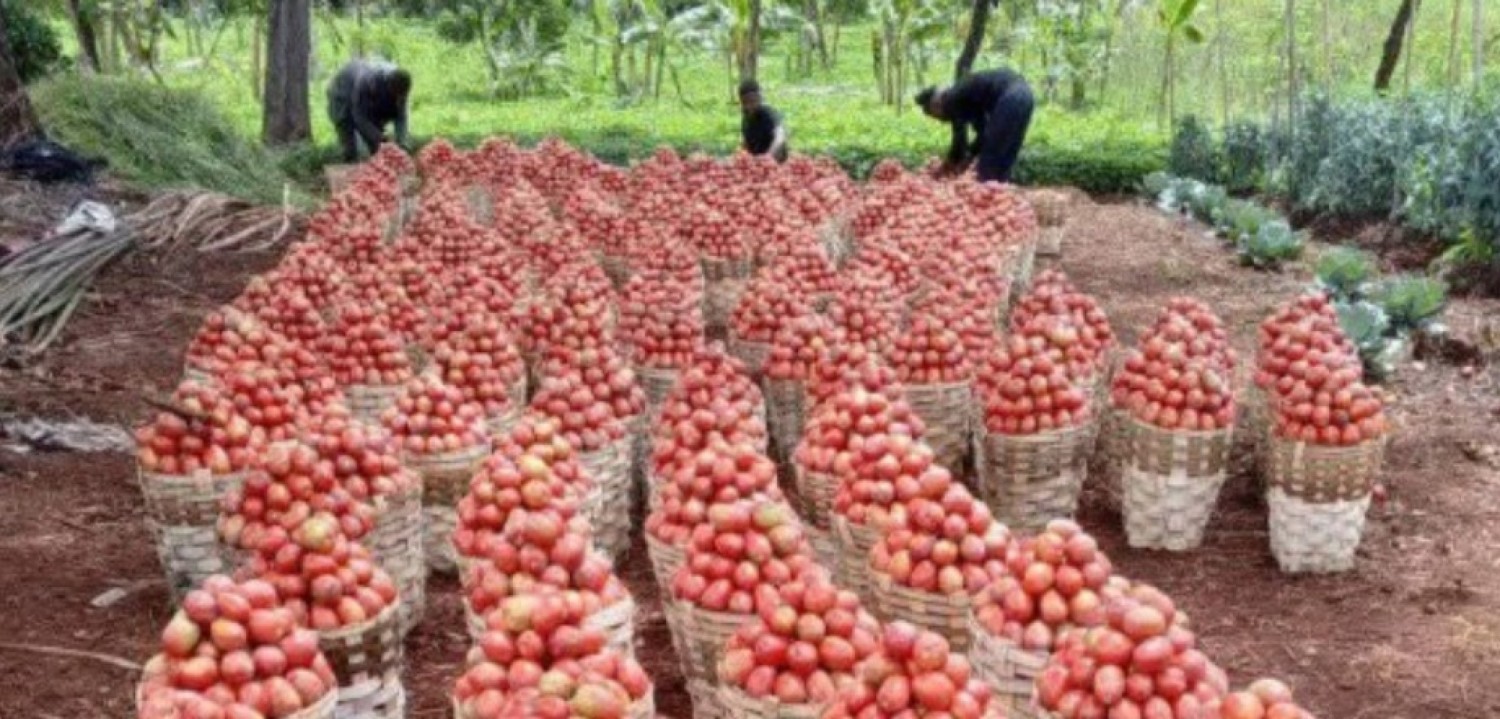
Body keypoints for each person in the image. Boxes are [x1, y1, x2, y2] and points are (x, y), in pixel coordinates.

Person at [915, 68, 1034, 183]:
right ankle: (999, 195)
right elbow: (983, 134)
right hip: (1026, 95)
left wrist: (947, 167)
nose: (940, 120)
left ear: (936, 104)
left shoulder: (953, 98)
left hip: (1010, 97)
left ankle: (989, 196)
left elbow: (959, 141)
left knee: (989, 164)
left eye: (935, 115)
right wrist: (970, 155)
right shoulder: (965, 95)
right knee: (1004, 157)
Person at [327, 59, 412, 163]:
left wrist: (401, 142)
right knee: (352, 148)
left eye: (401, 96)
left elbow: (401, 116)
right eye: (395, 95)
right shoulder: (367, 82)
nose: (399, 99)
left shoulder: (401, 85)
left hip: (371, 103)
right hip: (342, 97)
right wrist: (379, 137)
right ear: (388, 87)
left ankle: (378, 170)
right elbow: (360, 117)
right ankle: (351, 161)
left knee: (379, 149)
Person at [739, 80, 788, 162]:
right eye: (745, 102)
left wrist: (768, 156)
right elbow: (746, 142)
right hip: (757, 164)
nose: (749, 106)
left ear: (759, 98)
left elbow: (780, 137)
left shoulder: (768, 114)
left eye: (752, 101)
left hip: (774, 162)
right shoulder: (746, 117)